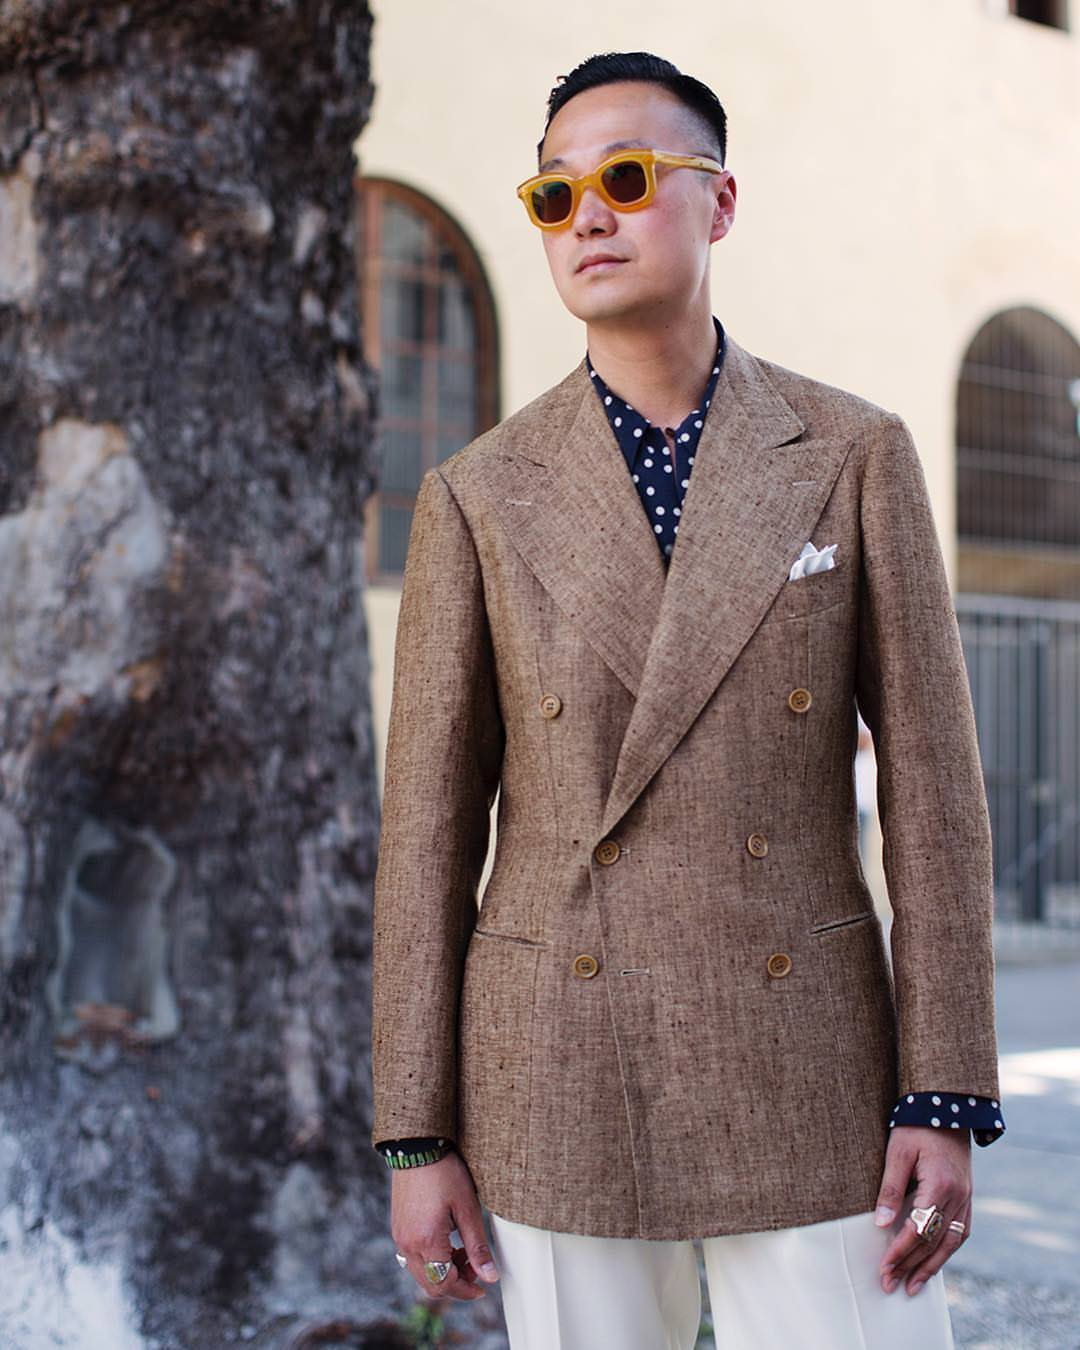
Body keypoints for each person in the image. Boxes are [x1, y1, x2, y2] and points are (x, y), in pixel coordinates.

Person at [369, 50, 1006, 1349]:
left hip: (810, 1060)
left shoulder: (851, 453)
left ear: (719, 202)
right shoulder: (479, 494)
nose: (587, 218)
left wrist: (944, 1091)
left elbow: (936, 799)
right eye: (555, 195)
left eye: (626, 178)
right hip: (558, 1062)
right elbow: (427, 836)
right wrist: (417, 1132)